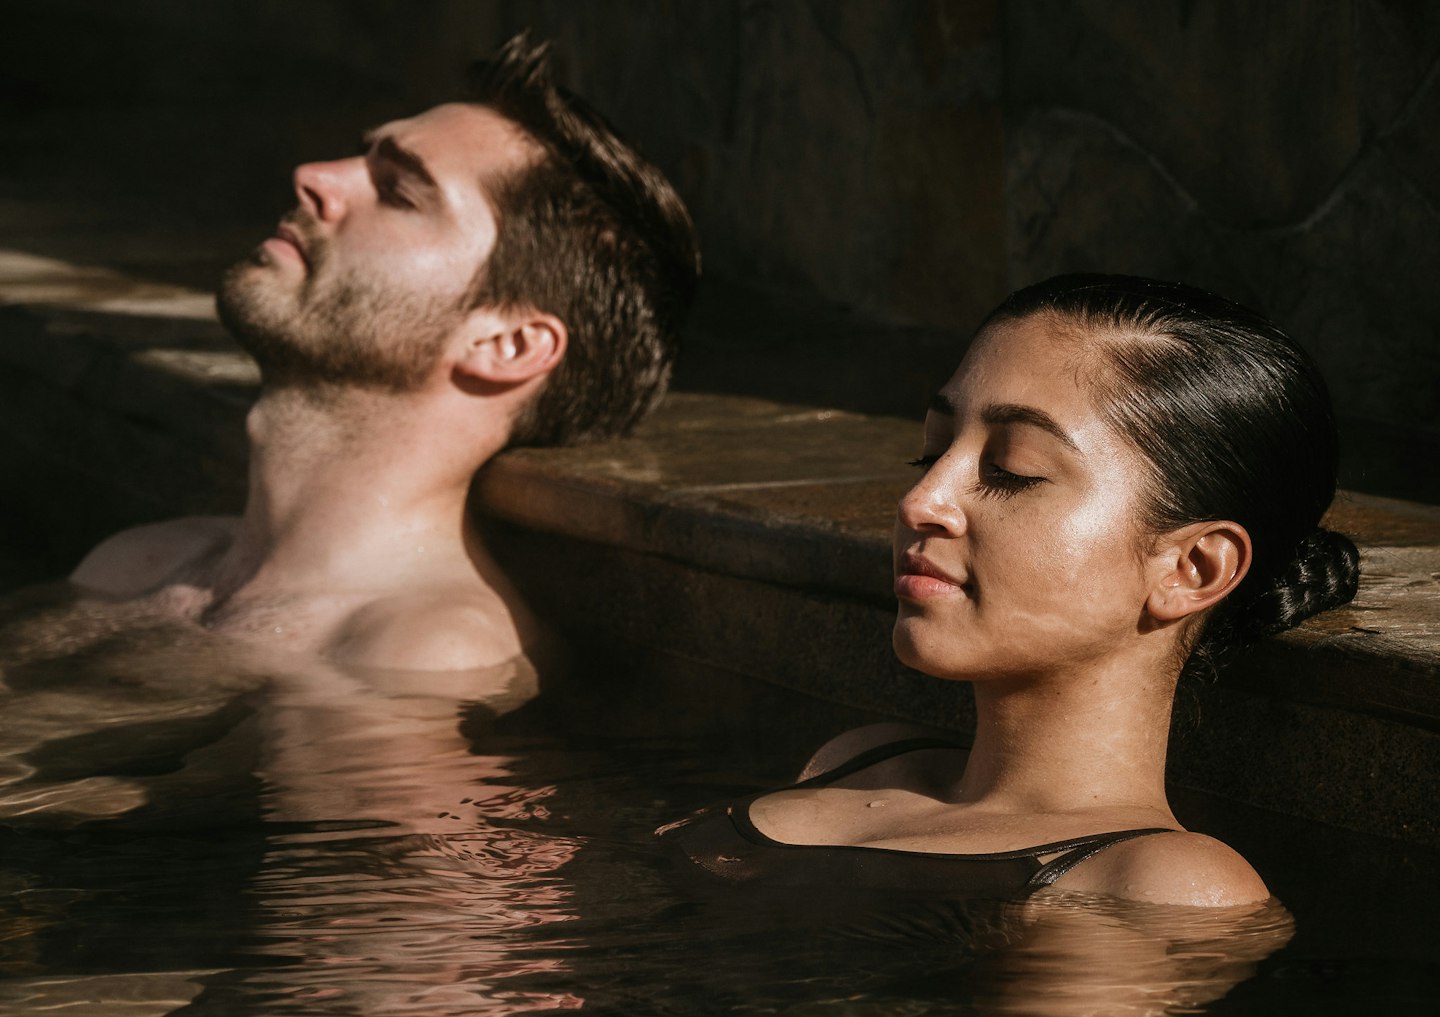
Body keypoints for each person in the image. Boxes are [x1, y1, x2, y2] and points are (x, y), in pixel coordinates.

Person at [665, 273, 1359, 907]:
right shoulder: (860, 759)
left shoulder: (1155, 884)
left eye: (1012, 469)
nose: (921, 500)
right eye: (932, 452)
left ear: (1192, 569)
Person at [63, 34, 700, 678]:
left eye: (398, 190)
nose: (314, 176)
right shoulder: (136, 565)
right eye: (362, 157)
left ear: (506, 345)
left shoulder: (425, 655)